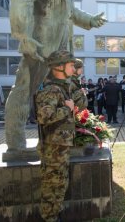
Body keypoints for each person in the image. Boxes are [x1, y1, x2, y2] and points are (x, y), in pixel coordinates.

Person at [4, 0, 107, 152]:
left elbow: (69, 10)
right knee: (25, 90)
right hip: (40, 45)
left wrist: (90, 20)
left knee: (59, 94)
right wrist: (24, 35)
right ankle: (16, 144)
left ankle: (52, 140)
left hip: (60, 48)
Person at [35, 50, 77, 221]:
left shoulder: (61, 88)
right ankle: (49, 218)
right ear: (59, 66)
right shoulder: (51, 89)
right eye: (71, 65)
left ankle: (54, 216)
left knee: (59, 185)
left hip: (60, 148)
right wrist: (67, 108)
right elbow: (43, 116)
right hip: (53, 149)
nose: (74, 69)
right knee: (52, 186)